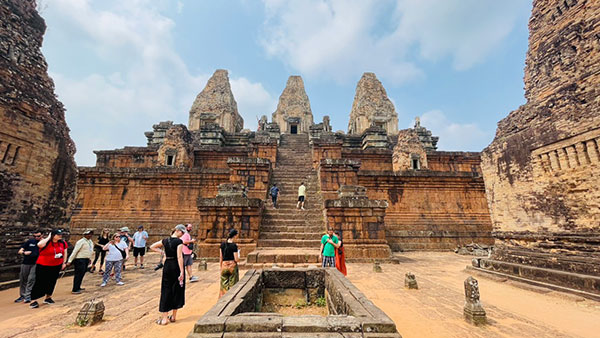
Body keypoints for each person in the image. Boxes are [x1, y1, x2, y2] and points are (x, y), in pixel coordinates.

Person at [150, 224, 186, 325]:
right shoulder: (179, 242)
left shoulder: (165, 240)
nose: (182, 234)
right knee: (177, 289)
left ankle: (165, 318)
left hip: (167, 266)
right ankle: (173, 316)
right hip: (176, 266)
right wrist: (182, 271)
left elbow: (152, 246)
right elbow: (179, 257)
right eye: (182, 232)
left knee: (166, 290)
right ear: (177, 230)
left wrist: (162, 252)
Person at [29, 229, 68, 309]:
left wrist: (64, 263)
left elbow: (65, 252)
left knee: (52, 281)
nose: (60, 236)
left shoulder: (62, 243)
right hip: (43, 265)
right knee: (39, 282)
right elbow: (39, 245)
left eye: (60, 234)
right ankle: (33, 300)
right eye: (58, 235)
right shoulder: (46, 242)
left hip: (56, 265)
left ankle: (48, 297)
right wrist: (49, 237)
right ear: (53, 235)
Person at [15, 230, 41, 303]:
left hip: (36, 263)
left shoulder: (42, 243)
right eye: (35, 236)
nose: (36, 237)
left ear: (42, 235)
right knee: (23, 279)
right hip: (26, 263)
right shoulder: (30, 242)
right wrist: (24, 253)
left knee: (31, 279)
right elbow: (20, 251)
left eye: (38, 236)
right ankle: (22, 295)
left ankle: (28, 295)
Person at [66, 229, 94, 294]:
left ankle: (78, 287)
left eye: (91, 234)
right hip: (80, 259)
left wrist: (89, 258)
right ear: (84, 235)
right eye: (88, 234)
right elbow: (75, 251)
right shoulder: (80, 242)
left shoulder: (90, 242)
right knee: (78, 274)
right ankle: (75, 289)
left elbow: (90, 251)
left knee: (82, 274)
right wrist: (70, 260)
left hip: (86, 259)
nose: (90, 235)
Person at [219, 229, 239, 298]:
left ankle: (223, 298)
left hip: (224, 265)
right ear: (235, 236)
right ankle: (231, 298)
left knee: (223, 285)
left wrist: (221, 266)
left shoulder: (222, 245)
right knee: (232, 284)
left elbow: (221, 257)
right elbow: (236, 259)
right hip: (232, 266)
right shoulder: (234, 246)